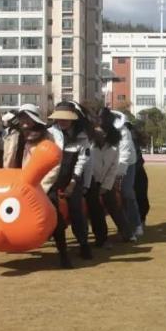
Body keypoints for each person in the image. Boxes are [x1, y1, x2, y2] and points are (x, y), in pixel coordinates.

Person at [3, 103, 72, 269]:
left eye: (28, 117)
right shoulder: (14, 135)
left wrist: (42, 187)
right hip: (16, 183)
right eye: (22, 118)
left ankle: (63, 254)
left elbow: (54, 163)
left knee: (54, 214)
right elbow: (8, 158)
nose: (25, 121)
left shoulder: (47, 136)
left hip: (42, 184)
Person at [49, 101, 93, 260]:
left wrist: (73, 183)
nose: (62, 121)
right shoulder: (49, 133)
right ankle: (60, 246)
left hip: (73, 177)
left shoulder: (82, 136)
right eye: (59, 117)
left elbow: (82, 161)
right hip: (52, 178)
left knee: (76, 211)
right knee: (51, 210)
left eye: (66, 118)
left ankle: (84, 244)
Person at [86, 108, 133, 245]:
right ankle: (101, 238)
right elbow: (86, 163)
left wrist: (106, 186)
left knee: (114, 206)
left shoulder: (115, 144)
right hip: (90, 179)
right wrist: (92, 183)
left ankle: (127, 234)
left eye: (102, 131)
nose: (99, 132)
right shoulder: (89, 142)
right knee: (95, 210)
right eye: (97, 130)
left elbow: (114, 166)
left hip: (107, 180)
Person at [114, 111, 143, 239]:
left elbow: (124, 156)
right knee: (113, 196)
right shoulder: (99, 130)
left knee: (126, 192)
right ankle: (123, 226)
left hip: (128, 163)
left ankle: (136, 224)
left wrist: (119, 176)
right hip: (109, 163)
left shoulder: (124, 132)